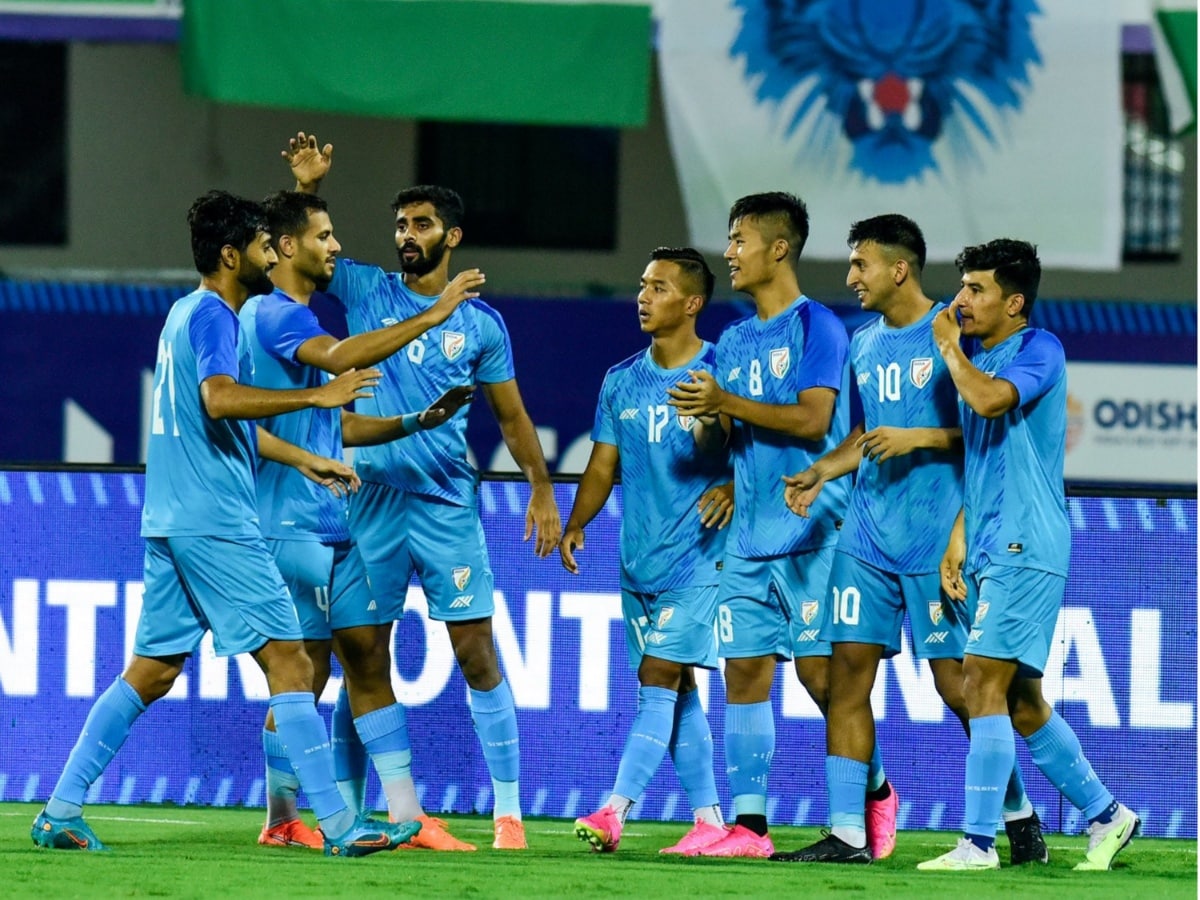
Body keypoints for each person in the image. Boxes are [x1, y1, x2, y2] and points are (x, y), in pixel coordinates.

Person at [32, 190, 419, 857]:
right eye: (265, 248)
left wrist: (305, 456)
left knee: (150, 670)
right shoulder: (214, 314)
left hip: (172, 516)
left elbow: (232, 421)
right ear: (232, 255)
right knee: (292, 660)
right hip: (215, 519)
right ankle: (340, 825)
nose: (274, 258)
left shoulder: (187, 314)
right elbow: (218, 400)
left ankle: (60, 809)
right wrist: (315, 395)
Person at [284, 133, 562, 850]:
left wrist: (540, 487)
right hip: (370, 501)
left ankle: (508, 813)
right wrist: (309, 185)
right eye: (401, 225)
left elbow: (512, 415)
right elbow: (304, 253)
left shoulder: (481, 325)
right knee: (359, 653)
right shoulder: (366, 288)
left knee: (475, 652)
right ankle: (356, 812)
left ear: (453, 235)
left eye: (422, 225)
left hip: (444, 507)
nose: (407, 236)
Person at [770, 215, 1042, 865]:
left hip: (933, 538)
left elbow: (982, 434)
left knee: (958, 688)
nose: (849, 277)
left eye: (860, 264)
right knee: (846, 678)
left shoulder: (953, 337)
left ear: (899, 269)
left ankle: (1019, 815)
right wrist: (820, 470)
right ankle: (847, 833)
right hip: (866, 534)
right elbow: (872, 434)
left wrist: (918, 440)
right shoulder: (863, 344)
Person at [243, 189, 478, 851]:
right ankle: (285, 817)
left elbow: (333, 419)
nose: (337, 247)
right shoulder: (277, 316)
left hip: (334, 520)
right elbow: (343, 360)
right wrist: (433, 314)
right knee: (305, 671)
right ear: (288, 247)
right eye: (323, 235)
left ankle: (408, 817)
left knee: (368, 658)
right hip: (291, 523)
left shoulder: (296, 318)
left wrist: (413, 421)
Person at [667, 192, 894, 858]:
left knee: (823, 682)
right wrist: (710, 423)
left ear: (779, 248)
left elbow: (813, 421)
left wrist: (726, 401)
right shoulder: (733, 340)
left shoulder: (817, 327)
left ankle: (873, 794)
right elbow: (729, 433)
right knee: (743, 675)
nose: (728, 253)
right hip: (748, 538)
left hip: (817, 533)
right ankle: (750, 828)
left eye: (739, 240)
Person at [918, 239, 1138, 871]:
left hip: (1027, 543)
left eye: (975, 289)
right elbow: (985, 458)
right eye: (960, 286)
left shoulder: (1039, 349)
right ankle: (1108, 816)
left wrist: (946, 347)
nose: (960, 299)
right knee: (1021, 701)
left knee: (978, 678)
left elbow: (990, 403)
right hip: (990, 543)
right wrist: (959, 535)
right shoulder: (981, 358)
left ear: (1014, 302)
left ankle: (978, 843)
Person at [561, 247, 733, 856]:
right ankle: (711, 819)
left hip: (703, 558)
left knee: (657, 677)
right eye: (642, 285)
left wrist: (736, 484)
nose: (643, 296)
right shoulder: (620, 378)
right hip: (640, 562)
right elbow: (603, 462)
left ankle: (614, 810)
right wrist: (577, 522)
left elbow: (765, 448)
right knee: (676, 689)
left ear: (691, 303)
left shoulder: (722, 372)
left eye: (658, 287)